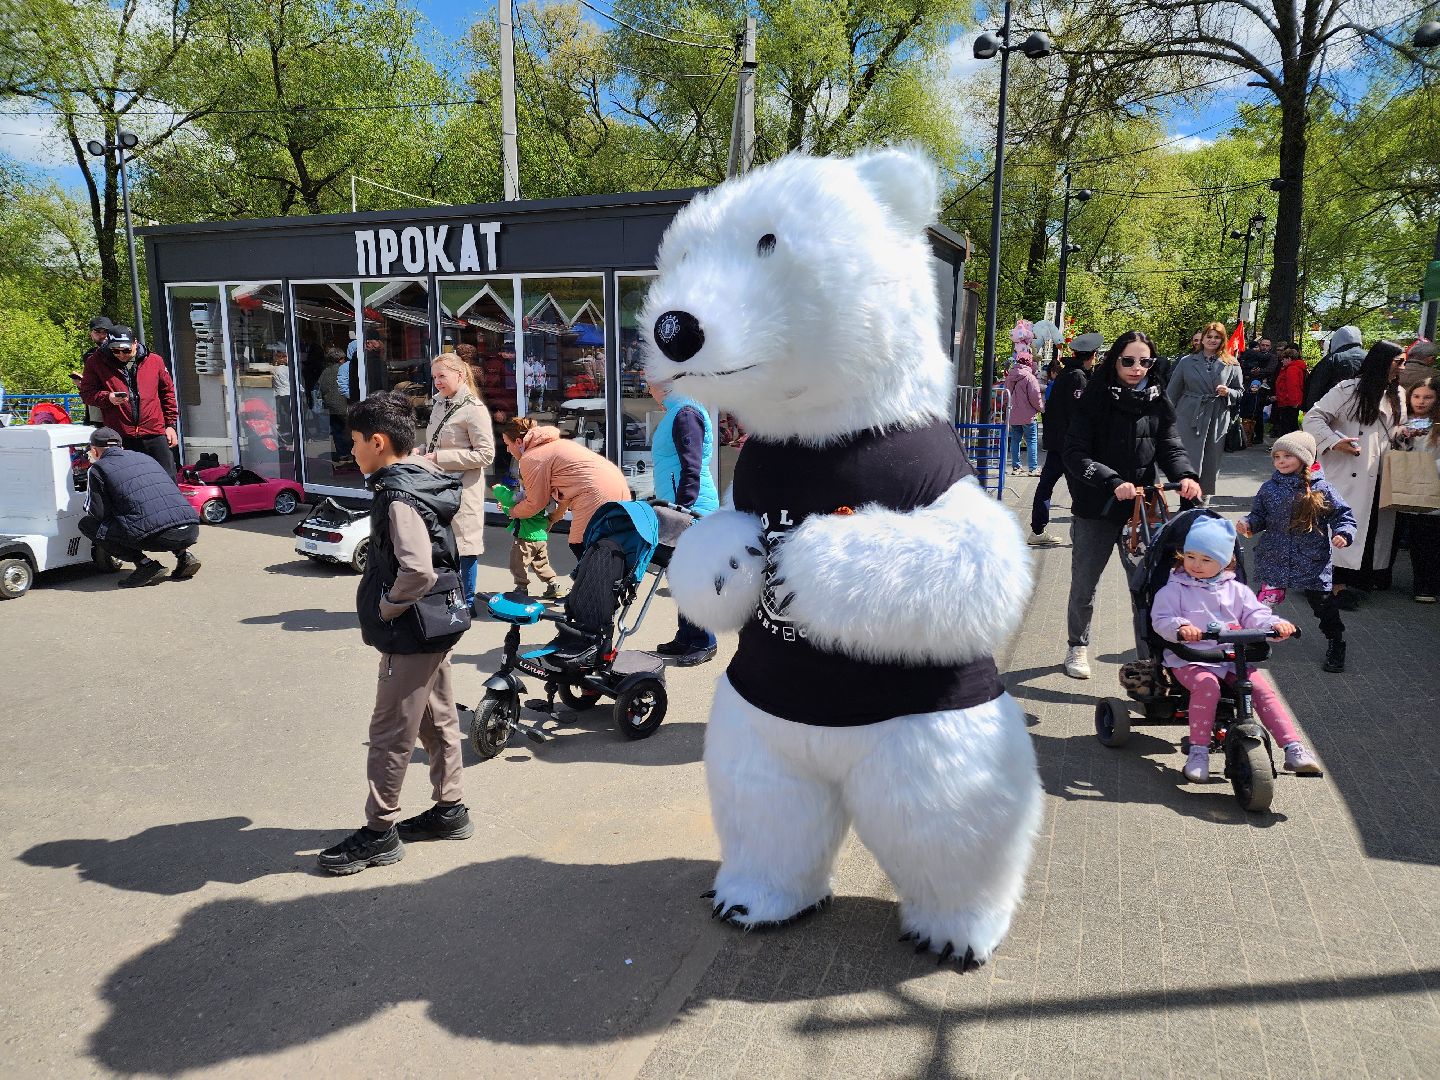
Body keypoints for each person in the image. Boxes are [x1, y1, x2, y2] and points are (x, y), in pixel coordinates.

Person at [317, 391, 472, 876]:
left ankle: (379, 833)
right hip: (435, 626)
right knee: (437, 719)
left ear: (379, 442)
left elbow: (418, 572)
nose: (352, 450)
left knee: (389, 734)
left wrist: (385, 609)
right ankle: (451, 810)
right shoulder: (422, 476)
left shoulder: (397, 494)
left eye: (356, 441)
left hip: (411, 630)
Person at [1061, 330, 1202, 679]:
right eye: (1128, 360)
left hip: (1142, 510)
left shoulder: (1158, 401)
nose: (1137, 368)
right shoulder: (1093, 399)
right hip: (1096, 507)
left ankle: (1150, 658)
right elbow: (1074, 454)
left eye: (1144, 361)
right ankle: (1077, 645)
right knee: (1085, 583)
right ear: (1115, 361)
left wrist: (1185, 475)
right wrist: (1110, 481)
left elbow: (1171, 446)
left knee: (1147, 586)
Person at [1149, 516, 1321, 782]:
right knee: (1207, 686)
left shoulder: (1237, 591)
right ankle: (1199, 751)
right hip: (1191, 659)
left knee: (1262, 689)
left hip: (1230, 658)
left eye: (1206, 560)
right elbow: (1161, 619)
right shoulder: (1173, 591)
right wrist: (1181, 627)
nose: (1196, 565)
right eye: (1190, 557)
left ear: (1226, 561)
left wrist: (1276, 625)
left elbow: (1256, 615)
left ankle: (1293, 747)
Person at [1235, 432, 1355, 672]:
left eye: (1288, 455)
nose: (1281, 460)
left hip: (1311, 559)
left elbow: (1343, 515)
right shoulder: (1269, 488)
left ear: (1304, 458)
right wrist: (1249, 523)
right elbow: (1259, 515)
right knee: (1264, 603)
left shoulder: (1323, 488)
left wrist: (1343, 533)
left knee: (1322, 604)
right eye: (1277, 456)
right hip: (1275, 557)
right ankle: (1258, 640)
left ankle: (1336, 641)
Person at [1303, 341, 1406, 605]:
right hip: (1348, 469)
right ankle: (1332, 582)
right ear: (1383, 361)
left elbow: (1393, 430)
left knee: (1371, 525)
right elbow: (1313, 418)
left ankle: (1360, 578)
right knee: (1342, 522)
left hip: (1380, 471)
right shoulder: (1347, 390)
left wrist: (1405, 434)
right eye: (1399, 361)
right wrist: (1334, 442)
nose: (1403, 366)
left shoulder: (1398, 394)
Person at [648, 379, 720, 665]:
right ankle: (686, 635)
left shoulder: (685, 413)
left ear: (663, 383)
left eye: (648, 381)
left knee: (693, 578)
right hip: (679, 505)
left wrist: (683, 508)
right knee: (679, 576)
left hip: (691, 508)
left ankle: (704, 640)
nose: (646, 387)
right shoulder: (677, 411)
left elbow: (691, 465)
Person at [79, 426, 201, 588]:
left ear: (94, 451)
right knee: (158, 510)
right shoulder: (145, 458)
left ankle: (145, 565)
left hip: (159, 536)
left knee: (88, 524)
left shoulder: (98, 469)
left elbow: (98, 513)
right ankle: (184, 556)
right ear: (121, 447)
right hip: (190, 530)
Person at [418, 353, 495, 606]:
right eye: (434, 377)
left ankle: (467, 603)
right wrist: (420, 452)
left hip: (463, 489)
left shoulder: (474, 409)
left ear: (459, 375)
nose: (437, 382)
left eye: (442, 376)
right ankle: (445, 598)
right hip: (437, 487)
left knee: (465, 547)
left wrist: (440, 458)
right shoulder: (440, 403)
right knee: (439, 545)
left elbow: (486, 455)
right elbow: (437, 442)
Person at [501, 416, 631, 562]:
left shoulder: (531, 458)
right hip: (619, 487)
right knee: (607, 549)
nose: (507, 449)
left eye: (507, 444)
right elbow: (568, 492)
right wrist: (553, 518)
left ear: (518, 442)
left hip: (594, 495)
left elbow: (535, 503)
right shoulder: (558, 444)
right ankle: (610, 581)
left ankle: (595, 583)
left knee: (581, 547)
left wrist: (512, 512)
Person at [1029, 331, 1101, 547]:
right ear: (1092, 355)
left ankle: (1037, 530)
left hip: (1056, 443)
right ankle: (1084, 536)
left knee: (1046, 486)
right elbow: (1081, 413)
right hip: (1071, 445)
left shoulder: (1063, 374)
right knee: (1081, 490)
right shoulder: (1078, 377)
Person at [77, 326, 180, 479]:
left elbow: (168, 394)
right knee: (127, 480)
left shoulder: (154, 361)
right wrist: (108, 398)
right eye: (115, 350)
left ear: (135, 343)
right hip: (120, 434)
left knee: (166, 477)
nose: (121, 355)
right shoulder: (96, 362)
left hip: (154, 431)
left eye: (126, 350)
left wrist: (170, 425)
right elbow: (86, 393)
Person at [1167, 321, 1244, 500]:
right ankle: (1186, 499)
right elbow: (1172, 392)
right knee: (1188, 459)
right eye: (1209, 336)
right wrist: (1166, 420)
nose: (1212, 340)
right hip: (1188, 415)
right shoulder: (1186, 362)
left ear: (1222, 340)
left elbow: (1240, 391)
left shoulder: (1232, 363)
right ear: (1202, 339)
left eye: (1217, 337)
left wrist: (1228, 392)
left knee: (1210, 461)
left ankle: (1204, 501)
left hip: (1217, 416)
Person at [1393, 376, 1440, 602]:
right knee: (1411, 540)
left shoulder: (1437, 425)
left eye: (1428, 397)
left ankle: (1427, 586)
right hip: (1405, 488)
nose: (1421, 402)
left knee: (1428, 539)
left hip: (1432, 490)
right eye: (1417, 396)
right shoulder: (1403, 422)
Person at [492, 481, 562, 599]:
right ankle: (553, 585)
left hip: (525, 538)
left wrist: (498, 489)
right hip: (540, 538)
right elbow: (517, 510)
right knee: (542, 564)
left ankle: (521, 588)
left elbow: (511, 502)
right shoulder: (545, 496)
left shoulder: (527, 494)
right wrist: (504, 508)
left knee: (518, 563)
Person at [1303, 325, 1365, 410]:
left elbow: (1316, 387)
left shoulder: (1331, 359)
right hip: (1363, 410)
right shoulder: (1370, 357)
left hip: (1334, 410)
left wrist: (1311, 413)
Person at [1004, 351, 1043, 475]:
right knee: (1031, 440)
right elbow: (1035, 397)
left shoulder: (1010, 376)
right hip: (1028, 415)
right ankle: (1033, 468)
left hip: (1014, 414)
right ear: (1029, 363)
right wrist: (1041, 408)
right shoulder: (1030, 377)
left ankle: (1016, 467)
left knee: (1015, 439)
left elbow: (1006, 395)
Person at [317, 348, 352, 466]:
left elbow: (321, 386)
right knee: (349, 430)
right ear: (340, 359)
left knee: (337, 431)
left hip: (330, 406)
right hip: (343, 404)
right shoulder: (344, 368)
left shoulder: (325, 371)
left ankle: (343, 455)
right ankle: (352, 453)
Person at [1269, 344, 1307, 439]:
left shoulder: (1292, 369)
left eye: (1283, 359)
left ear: (1289, 358)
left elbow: (1292, 386)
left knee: (1288, 426)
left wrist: (1293, 402)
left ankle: (1289, 445)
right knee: (1290, 425)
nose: (1282, 361)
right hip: (1287, 401)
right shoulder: (1292, 368)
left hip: (1288, 403)